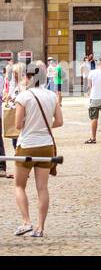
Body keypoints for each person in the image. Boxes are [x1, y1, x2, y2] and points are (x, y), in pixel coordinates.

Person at [12, 63, 61, 238]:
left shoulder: (24, 96)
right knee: (42, 188)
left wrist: (31, 125)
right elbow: (59, 122)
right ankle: (40, 228)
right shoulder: (51, 96)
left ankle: (26, 222)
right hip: (46, 145)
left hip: (27, 145)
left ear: (28, 77)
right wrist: (44, 125)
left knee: (19, 185)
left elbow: (18, 125)